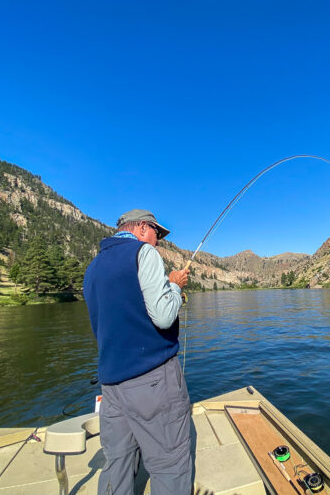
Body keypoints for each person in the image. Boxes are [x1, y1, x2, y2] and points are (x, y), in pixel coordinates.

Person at [83, 209, 192, 495]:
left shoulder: (93, 266)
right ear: (143, 228)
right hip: (152, 381)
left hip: (111, 386)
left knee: (117, 462)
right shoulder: (143, 253)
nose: (159, 241)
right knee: (170, 462)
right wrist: (175, 287)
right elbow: (163, 316)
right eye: (158, 233)